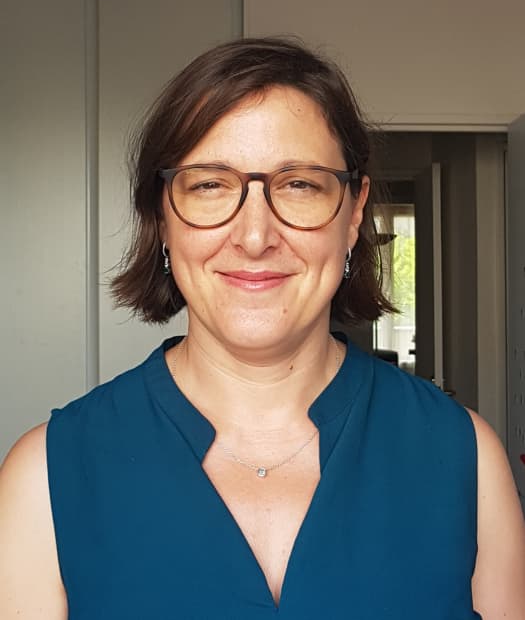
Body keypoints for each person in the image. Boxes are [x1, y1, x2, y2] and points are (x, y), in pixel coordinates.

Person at [1, 37, 524, 619]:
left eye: (299, 184)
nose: (254, 237)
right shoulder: (45, 477)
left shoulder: (465, 458)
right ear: (161, 216)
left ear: (354, 213)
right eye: (209, 184)